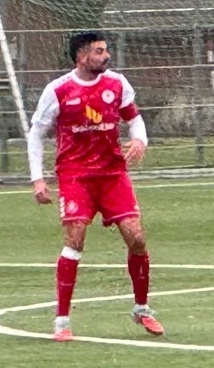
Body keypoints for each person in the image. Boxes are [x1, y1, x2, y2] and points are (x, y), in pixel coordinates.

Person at [27, 31, 163, 341]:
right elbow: (36, 134)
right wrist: (38, 179)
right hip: (75, 175)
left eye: (106, 50)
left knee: (137, 237)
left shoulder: (117, 83)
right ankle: (62, 321)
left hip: (113, 174)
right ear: (81, 56)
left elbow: (134, 118)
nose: (106, 56)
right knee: (75, 240)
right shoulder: (58, 90)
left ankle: (142, 309)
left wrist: (140, 140)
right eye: (99, 51)